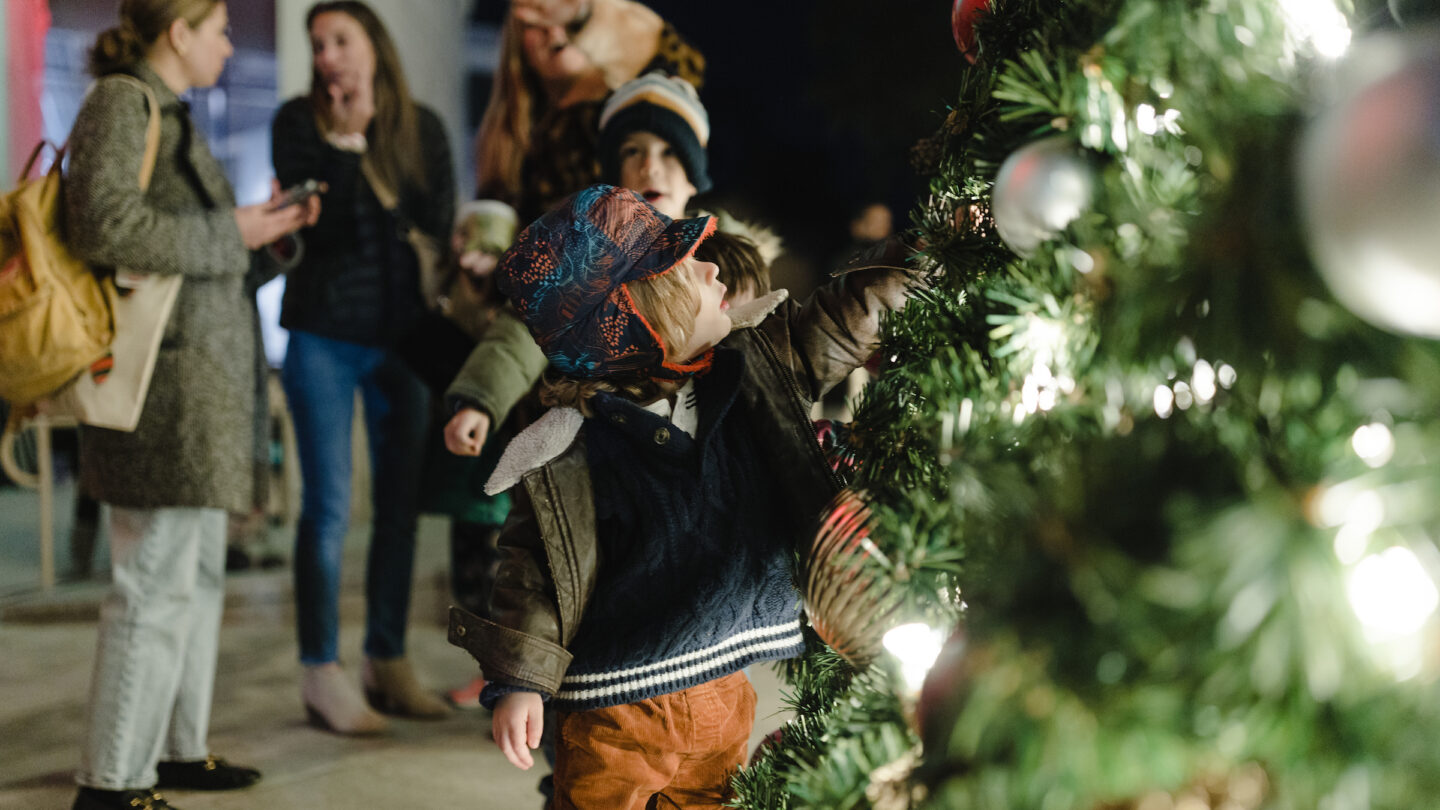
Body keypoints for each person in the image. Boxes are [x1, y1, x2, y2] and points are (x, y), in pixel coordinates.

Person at [447, 185, 920, 809]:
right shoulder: (571, 447)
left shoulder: (750, 375)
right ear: (637, 318)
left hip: (725, 691)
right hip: (619, 707)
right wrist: (520, 681)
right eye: (685, 267)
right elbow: (533, 571)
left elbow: (840, 319)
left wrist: (927, 258)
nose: (713, 266)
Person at [63, 2, 318, 808]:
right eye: (215, 27)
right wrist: (231, 231)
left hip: (197, 386)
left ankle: (173, 749)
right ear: (177, 31)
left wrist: (266, 237)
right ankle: (112, 779)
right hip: (161, 389)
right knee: (155, 579)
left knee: (196, 574)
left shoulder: (167, 112)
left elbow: (200, 256)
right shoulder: (123, 101)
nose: (225, 42)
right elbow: (101, 225)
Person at [271, 0, 456, 735]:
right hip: (321, 333)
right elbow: (324, 231)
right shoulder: (298, 124)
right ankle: (322, 670)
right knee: (327, 508)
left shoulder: (424, 128)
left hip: (404, 338)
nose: (327, 57)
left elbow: (435, 225)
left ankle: (388, 659)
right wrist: (344, 147)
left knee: (400, 509)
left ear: (373, 45)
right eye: (317, 44)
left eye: (339, 40)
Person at [477, 0, 704, 224]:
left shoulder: (632, 102)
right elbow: (497, 207)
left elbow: (676, 56)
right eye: (533, 24)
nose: (553, 30)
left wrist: (584, 14)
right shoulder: (515, 133)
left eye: (566, 20)